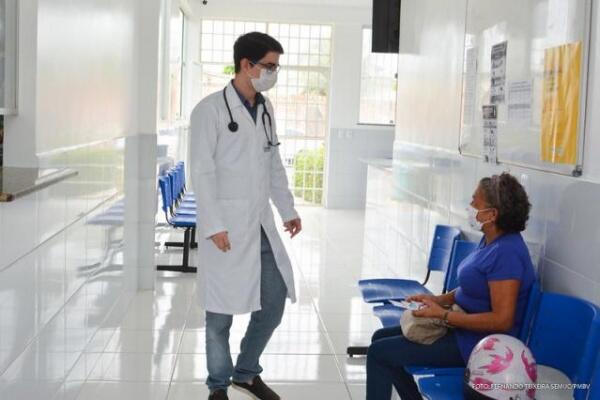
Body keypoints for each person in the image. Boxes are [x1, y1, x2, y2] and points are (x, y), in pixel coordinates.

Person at [189, 32, 302, 400]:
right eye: (269, 66)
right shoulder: (209, 110)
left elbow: (273, 164)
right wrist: (214, 224)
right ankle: (218, 386)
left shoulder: (265, 109)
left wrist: (287, 209)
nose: (273, 73)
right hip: (225, 225)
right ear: (246, 65)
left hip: (260, 223)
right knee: (219, 314)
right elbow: (201, 172)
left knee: (274, 299)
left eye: (276, 67)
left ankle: (247, 373)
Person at [366, 172, 536, 400]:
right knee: (379, 338)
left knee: (380, 353)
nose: (470, 206)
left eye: (475, 201)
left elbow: (502, 320)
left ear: (492, 214)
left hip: (479, 346)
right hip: (463, 329)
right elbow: (470, 289)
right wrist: (439, 301)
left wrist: (444, 316)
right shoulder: (490, 240)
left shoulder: (507, 253)